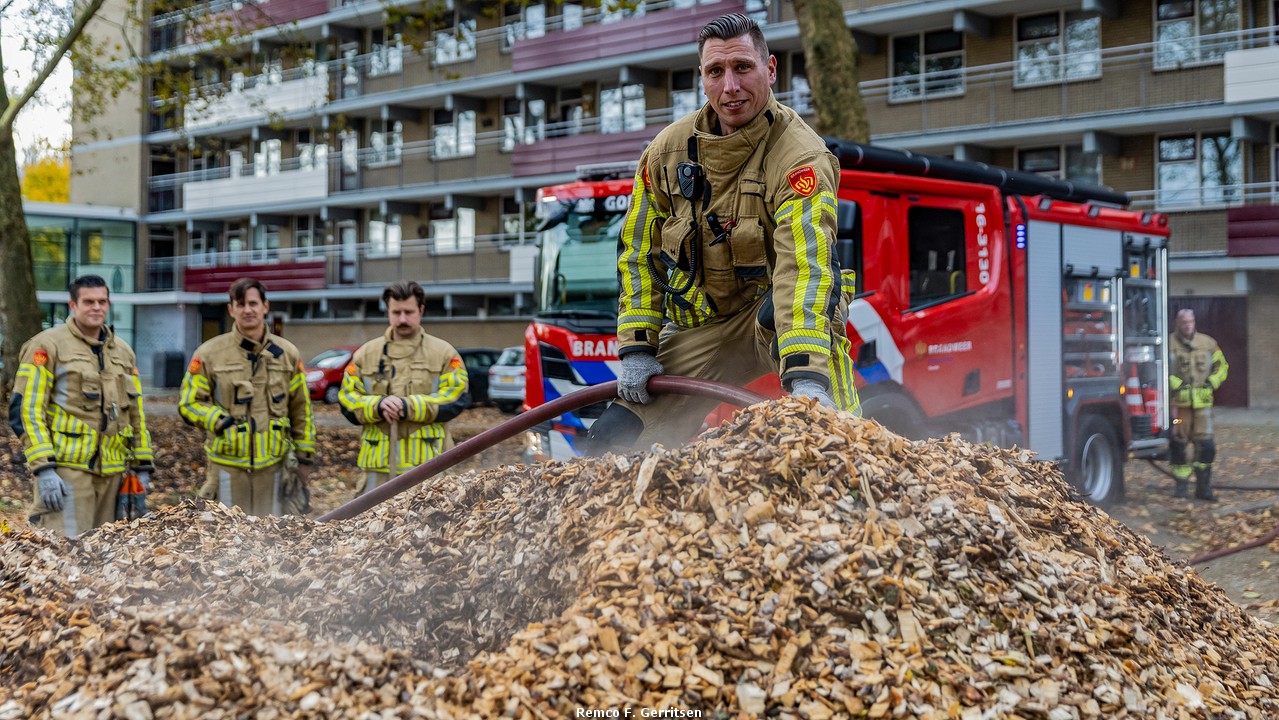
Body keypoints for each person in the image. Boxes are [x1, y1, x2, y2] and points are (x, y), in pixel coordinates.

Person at [582, 12, 859, 454]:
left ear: (770, 69)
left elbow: (803, 269)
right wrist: (637, 348)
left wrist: (808, 378)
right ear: (702, 78)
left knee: (832, 441)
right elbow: (638, 253)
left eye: (743, 68)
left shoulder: (802, 158)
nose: (730, 86)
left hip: (780, 320)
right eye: (716, 71)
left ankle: (856, 456)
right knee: (613, 440)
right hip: (706, 328)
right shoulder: (664, 154)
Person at [8, 274, 155, 538]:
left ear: (109, 304)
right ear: (73, 305)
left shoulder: (123, 352)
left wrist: (142, 466)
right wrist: (44, 470)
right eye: (88, 302)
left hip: (113, 476)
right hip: (67, 474)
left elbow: (136, 415)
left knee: (107, 559)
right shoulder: (47, 346)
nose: (96, 307)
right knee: (65, 554)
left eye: (102, 301)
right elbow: (26, 410)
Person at [179, 278, 315, 516]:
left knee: (272, 540)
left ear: (265, 306)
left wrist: (304, 459)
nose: (248, 310)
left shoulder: (287, 354)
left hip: (274, 468)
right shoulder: (209, 353)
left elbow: (301, 410)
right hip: (226, 468)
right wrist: (218, 420)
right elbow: (189, 403)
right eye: (240, 304)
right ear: (231, 309)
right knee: (226, 542)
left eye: (253, 303)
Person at [339, 281, 470, 494]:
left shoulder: (444, 353)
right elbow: (347, 398)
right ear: (388, 312)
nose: (402, 319)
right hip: (377, 474)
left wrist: (408, 406)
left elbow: (456, 398)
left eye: (408, 312)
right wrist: (378, 405)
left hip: (430, 471)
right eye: (396, 312)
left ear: (421, 310)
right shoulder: (365, 354)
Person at [1168, 308, 1229, 501]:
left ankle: (1203, 488)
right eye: (1184, 322)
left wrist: (1213, 381)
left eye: (1190, 321)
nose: (1187, 325)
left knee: (1207, 446)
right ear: (1178, 323)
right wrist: (1176, 385)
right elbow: (1158, 368)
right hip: (1180, 405)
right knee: (1178, 445)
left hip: (1203, 405)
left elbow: (1222, 366)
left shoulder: (1208, 343)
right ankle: (1181, 488)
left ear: (1194, 322)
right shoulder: (1168, 343)